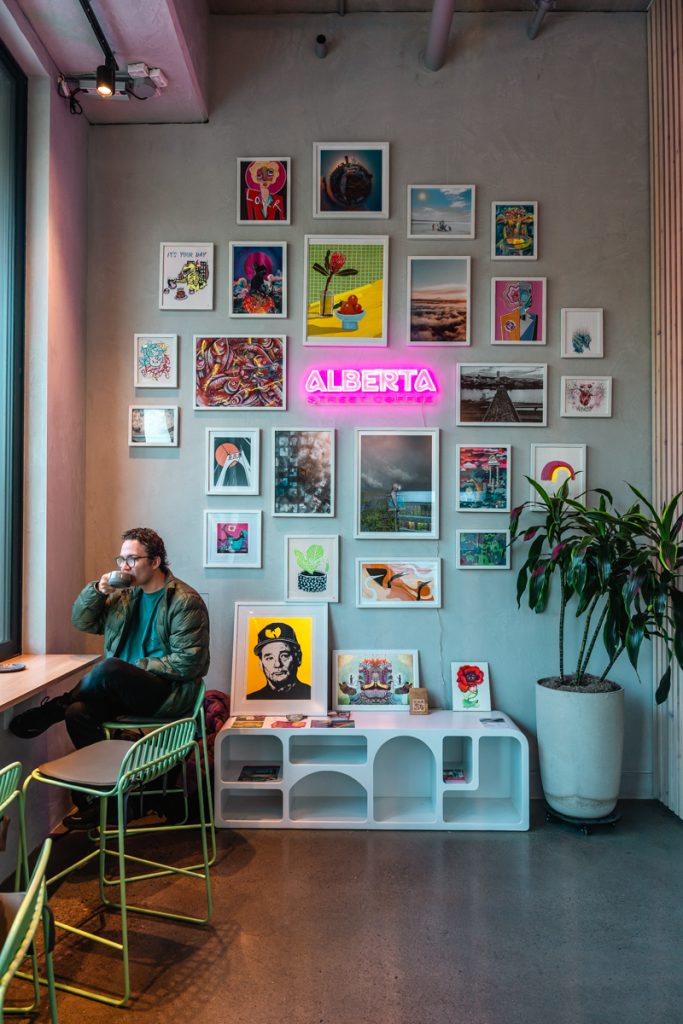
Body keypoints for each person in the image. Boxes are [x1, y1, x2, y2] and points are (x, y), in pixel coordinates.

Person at [10, 527, 210, 829]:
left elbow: (190, 663)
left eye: (132, 559)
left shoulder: (184, 601)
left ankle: (55, 708)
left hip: (165, 693)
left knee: (110, 667)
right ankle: (109, 800)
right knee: (78, 714)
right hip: (119, 688)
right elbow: (83, 621)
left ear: (155, 562)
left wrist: (137, 666)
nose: (123, 566)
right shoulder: (124, 596)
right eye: (121, 558)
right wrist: (97, 591)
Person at [246, 622, 310, 701]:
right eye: (270, 658)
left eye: (284, 656)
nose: (277, 664)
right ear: (260, 663)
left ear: (298, 658)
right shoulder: (251, 701)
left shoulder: (312, 697)